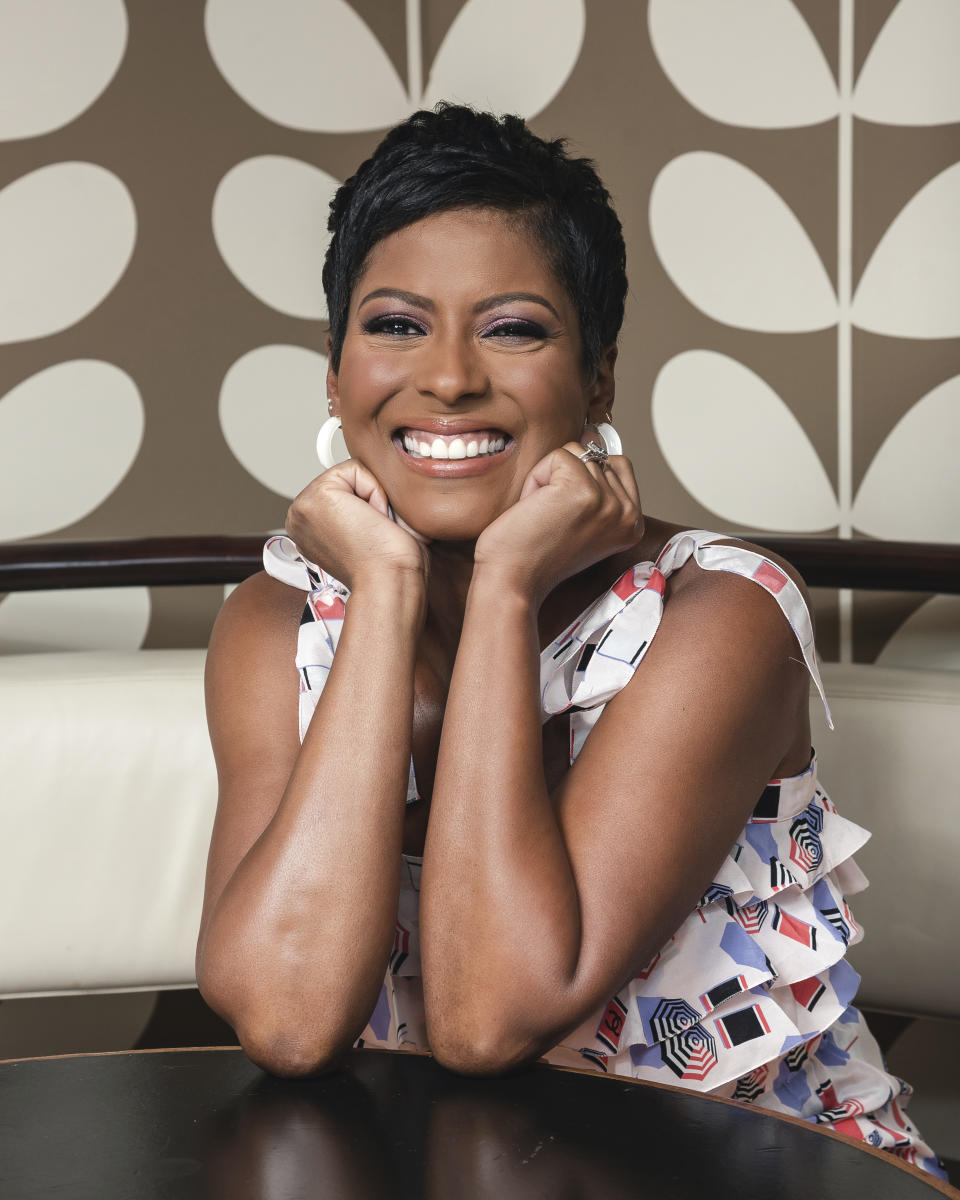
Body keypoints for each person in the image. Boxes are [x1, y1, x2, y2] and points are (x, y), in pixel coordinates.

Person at [196, 104, 944, 1176]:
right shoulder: (280, 620)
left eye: (513, 328)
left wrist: (505, 585)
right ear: (333, 373)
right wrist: (389, 588)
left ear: (598, 379)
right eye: (397, 324)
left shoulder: (720, 615)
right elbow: (286, 1019)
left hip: (757, 1176)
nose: (448, 377)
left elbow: (490, 1015)